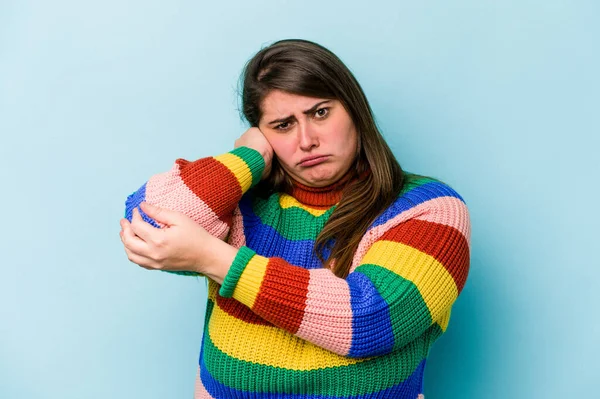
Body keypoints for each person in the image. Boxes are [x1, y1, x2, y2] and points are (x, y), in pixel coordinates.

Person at [119, 39, 471, 399]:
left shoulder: (428, 208)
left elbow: (370, 319)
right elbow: (149, 226)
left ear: (354, 110)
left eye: (320, 112)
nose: (306, 140)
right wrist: (248, 155)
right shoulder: (242, 204)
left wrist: (213, 258)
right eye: (283, 125)